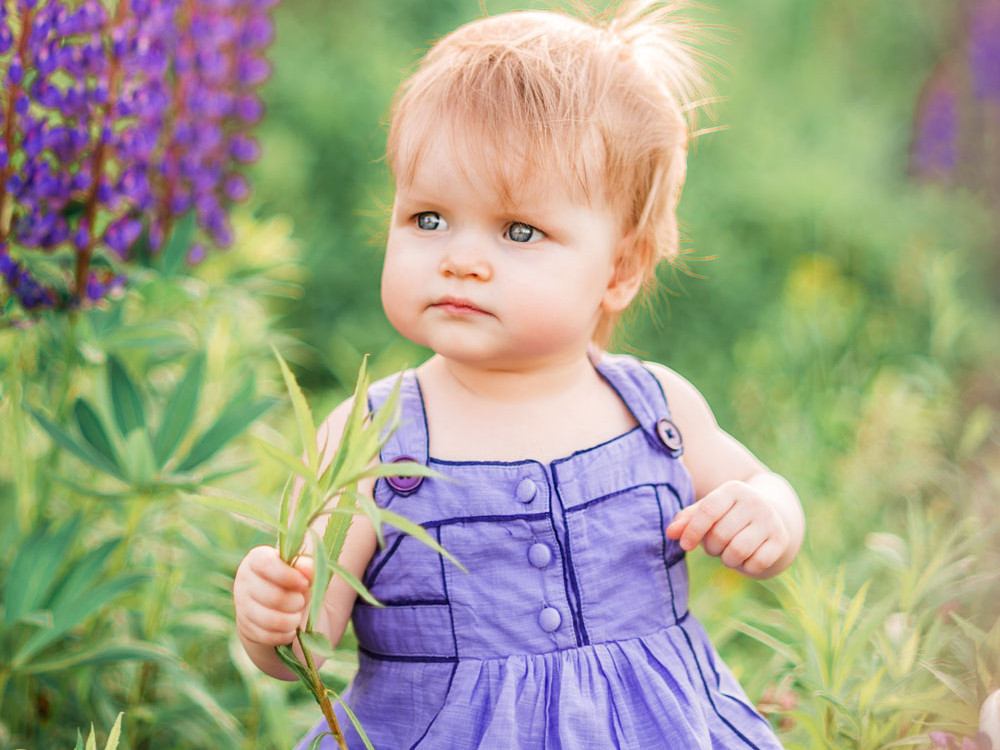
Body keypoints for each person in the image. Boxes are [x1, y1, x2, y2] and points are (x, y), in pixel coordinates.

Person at [233, 1, 804, 747]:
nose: (460, 257)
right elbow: (310, 640)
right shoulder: (374, 437)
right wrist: (270, 617)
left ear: (621, 269)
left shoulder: (652, 406)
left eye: (519, 230)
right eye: (429, 218)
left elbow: (765, 486)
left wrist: (769, 516)